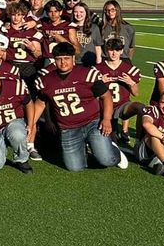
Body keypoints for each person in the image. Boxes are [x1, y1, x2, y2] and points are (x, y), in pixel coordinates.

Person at [36, 43, 127, 172]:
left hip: (92, 123)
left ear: (73, 59)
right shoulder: (45, 81)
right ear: (54, 60)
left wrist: (106, 119)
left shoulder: (87, 74)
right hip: (68, 128)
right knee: (75, 167)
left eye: (66, 58)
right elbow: (40, 103)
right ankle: (86, 148)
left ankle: (113, 150)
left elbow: (106, 97)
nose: (63, 62)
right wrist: (32, 124)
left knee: (107, 160)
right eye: (59, 59)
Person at [94, 36, 142, 147]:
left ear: (121, 51)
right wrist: (99, 82)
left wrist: (131, 82)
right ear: (106, 51)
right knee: (111, 142)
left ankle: (140, 141)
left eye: (117, 50)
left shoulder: (130, 69)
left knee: (141, 108)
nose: (114, 53)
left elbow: (136, 93)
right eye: (111, 50)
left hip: (122, 105)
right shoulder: (97, 69)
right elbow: (91, 95)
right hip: (105, 107)